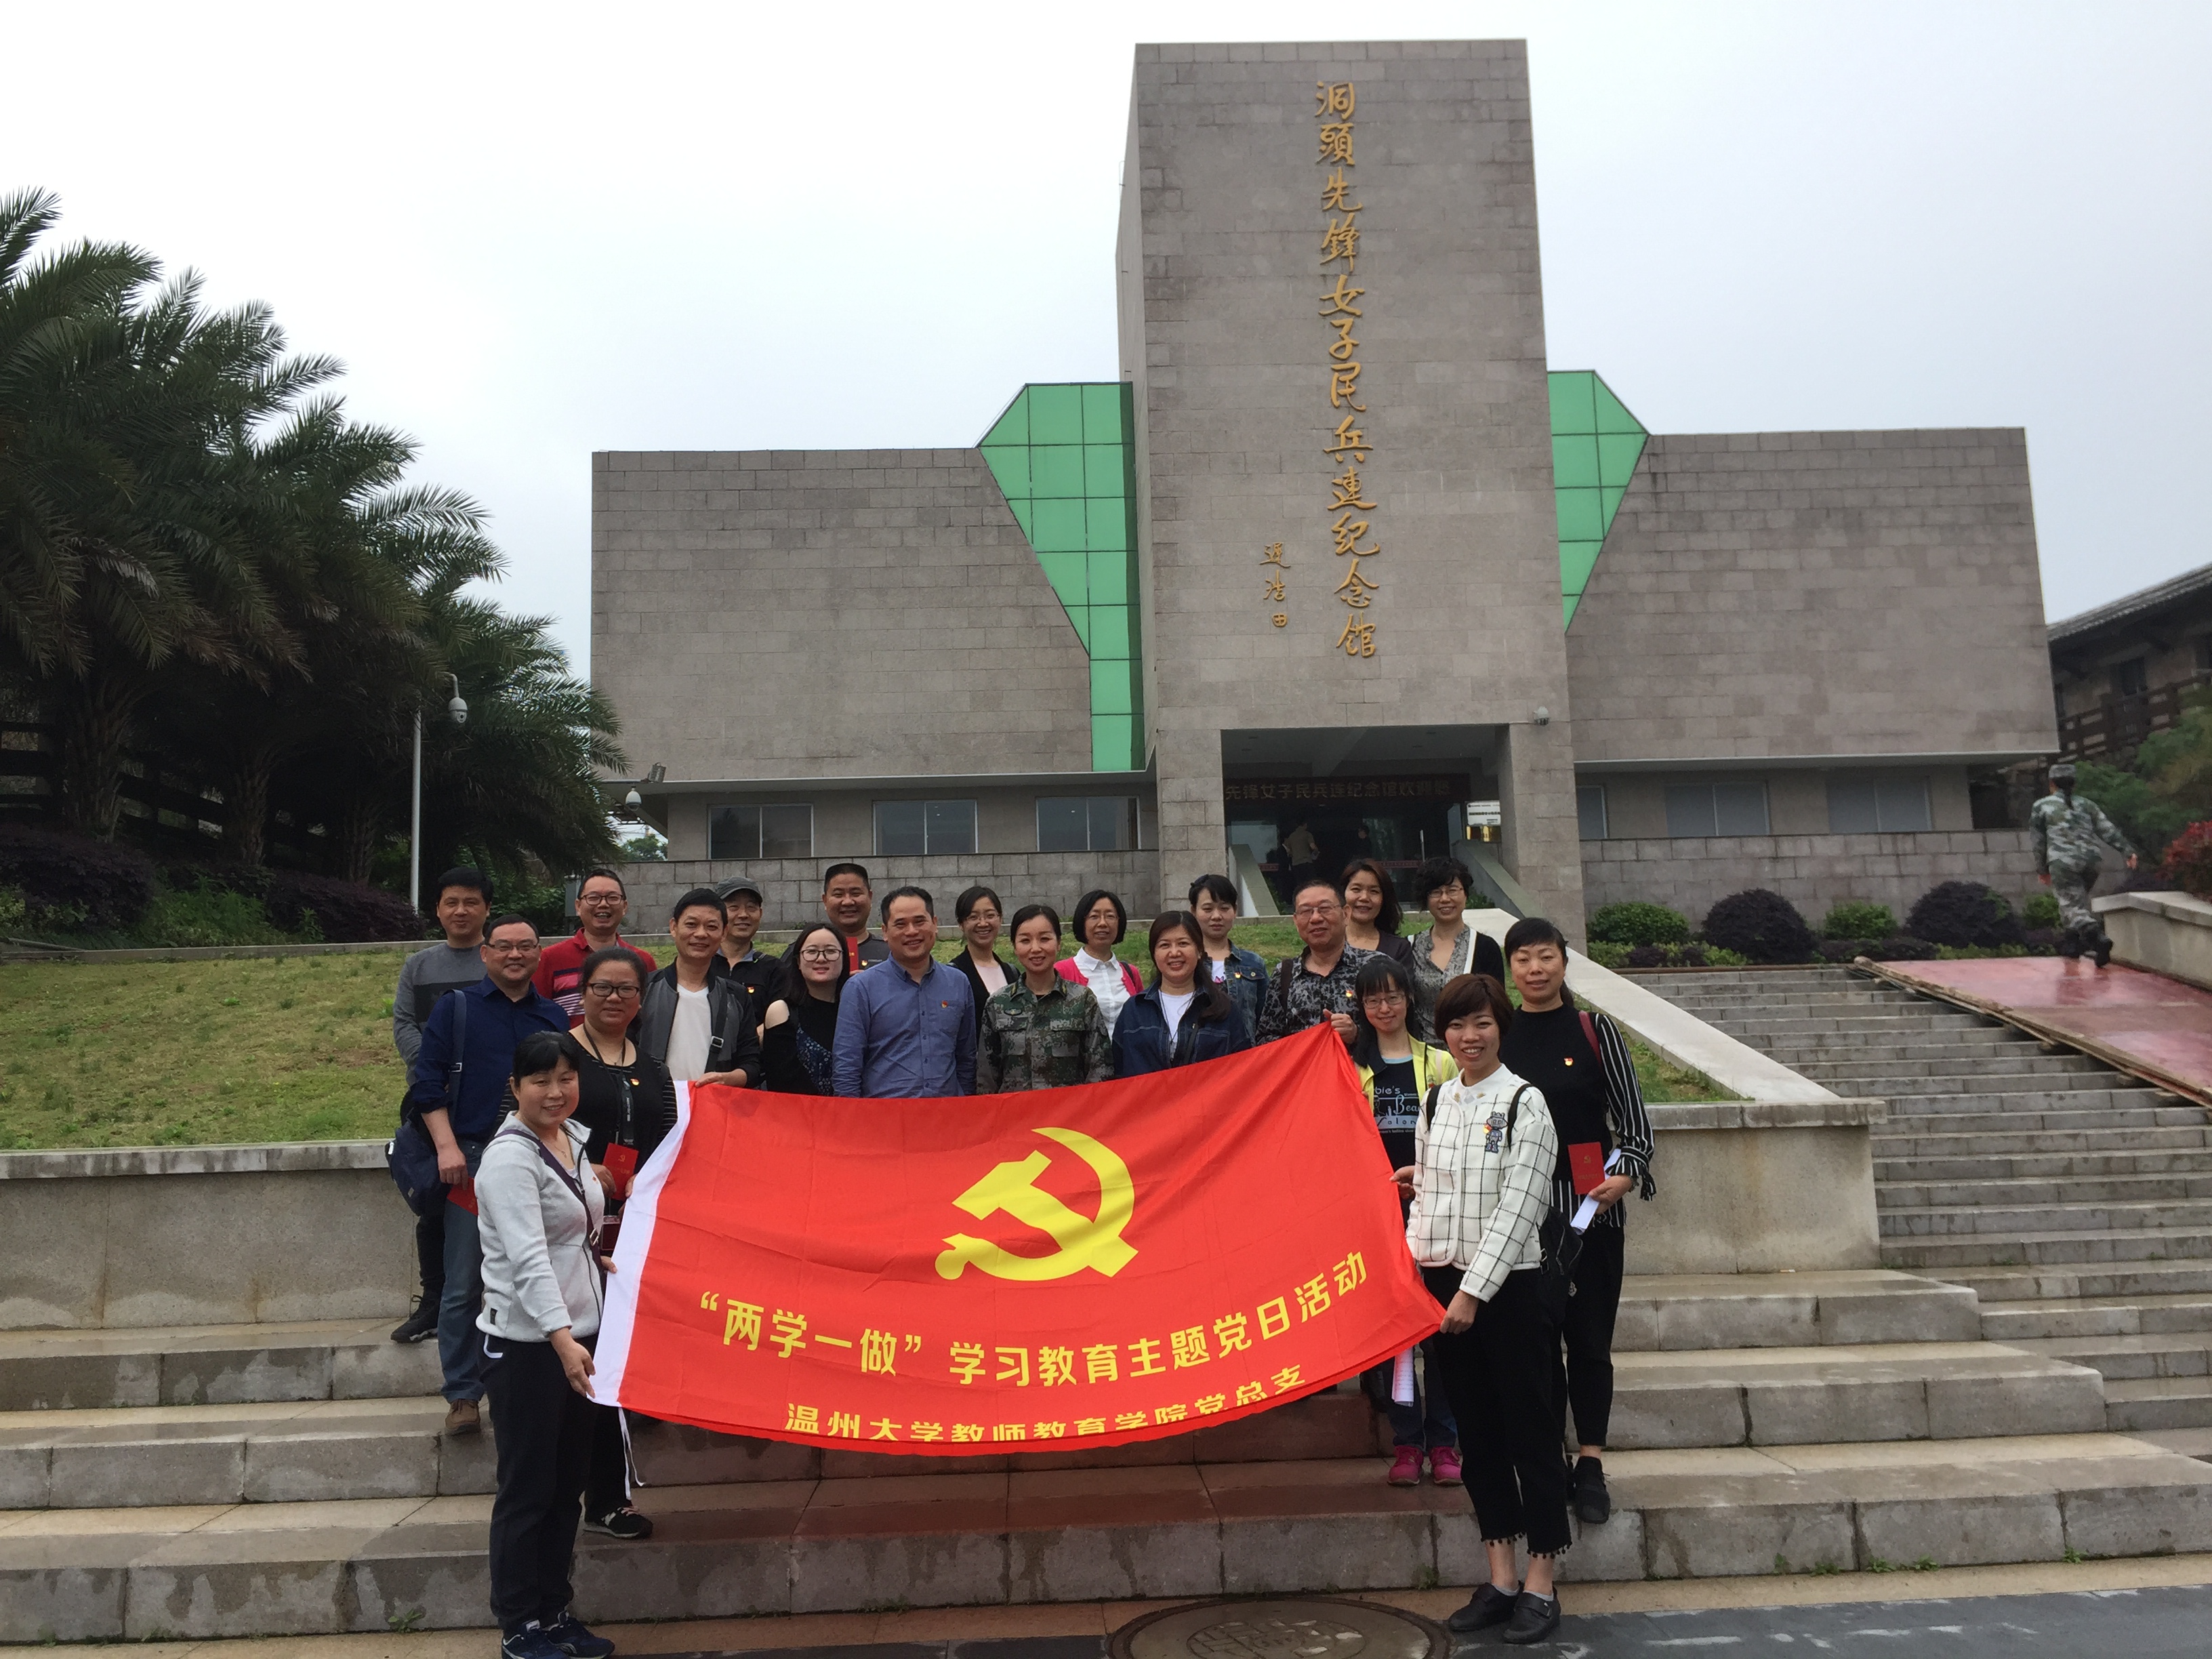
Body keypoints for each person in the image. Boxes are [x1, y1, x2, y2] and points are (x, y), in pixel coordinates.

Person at [1398, 972, 1569, 1647]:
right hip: (1444, 1291)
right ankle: (1500, 1578)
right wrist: (1413, 1275)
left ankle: (1541, 1582)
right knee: (1478, 1435)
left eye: (1482, 1024)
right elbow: (1429, 1199)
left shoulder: (1526, 1103)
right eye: (1456, 1025)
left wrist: (1473, 1293)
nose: (1469, 1037)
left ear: (1502, 1027)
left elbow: (1521, 1207)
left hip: (1510, 1291)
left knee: (1531, 1432)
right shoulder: (1436, 1100)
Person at [1498, 915, 1654, 1528]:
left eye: (1546, 957)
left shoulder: (1595, 1030)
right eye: (1523, 959)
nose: (1535, 969)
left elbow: (1634, 1128)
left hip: (1593, 1215)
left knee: (1589, 1343)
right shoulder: (1499, 1034)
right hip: (1521, 1220)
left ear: (1565, 962)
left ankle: (1591, 1461)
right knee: (1536, 1347)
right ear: (1510, 968)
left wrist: (1626, 1175)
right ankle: (1551, 1457)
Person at [473, 1030, 618, 1659]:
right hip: (529, 1347)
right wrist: (561, 1339)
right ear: (515, 1088)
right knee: (528, 1490)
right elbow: (528, 1258)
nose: (555, 1092)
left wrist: (595, 1262)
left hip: (579, 1337)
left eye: (566, 1078)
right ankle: (519, 1626)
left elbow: (569, 1234)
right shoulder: (510, 1159)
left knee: (565, 1488)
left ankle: (555, 1614)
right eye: (540, 1081)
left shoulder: (571, 1138)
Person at [407, 915, 569, 1436]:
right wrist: (447, 1147)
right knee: (463, 1282)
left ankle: (538, 1379)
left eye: (526, 946)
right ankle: (462, 1394)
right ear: (485, 952)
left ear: (539, 952)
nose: (515, 955)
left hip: (540, 1157)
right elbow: (427, 1083)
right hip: (472, 1161)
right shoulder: (457, 1008)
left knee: (540, 1269)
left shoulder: (552, 1016)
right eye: (504, 946)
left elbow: (566, 1088)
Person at [566, 947, 677, 1543]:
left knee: (618, 1354)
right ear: (582, 993)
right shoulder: (558, 1058)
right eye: (602, 988)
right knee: (590, 1356)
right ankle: (595, 1493)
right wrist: (582, 1171)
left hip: (635, 1230)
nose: (614, 998)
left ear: (642, 999)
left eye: (627, 989)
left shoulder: (653, 1068)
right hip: (572, 1229)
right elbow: (526, 1128)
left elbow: (671, 1143)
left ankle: (611, 1498)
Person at [1349, 954, 1460, 1488]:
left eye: (1393, 995)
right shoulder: (1350, 1069)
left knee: (1440, 1329)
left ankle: (1445, 1442)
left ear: (1409, 998)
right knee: (1395, 1334)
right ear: (1362, 1006)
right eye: (1373, 998)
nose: (1384, 1006)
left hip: (1435, 1214)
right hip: (1377, 1218)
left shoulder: (1440, 1064)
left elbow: (1459, 1138)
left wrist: (1429, 1179)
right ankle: (1407, 1444)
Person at [389, 866, 493, 1345]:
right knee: (433, 1200)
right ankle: (433, 1300)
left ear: (486, 909)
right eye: (452, 902)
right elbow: (404, 1025)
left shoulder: (498, 959)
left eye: (471, 902)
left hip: (488, 1102)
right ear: (437, 909)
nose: (461, 911)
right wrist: (436, 1066)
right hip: (430, 1100)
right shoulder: (419, 966)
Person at [832, 886, 976, 1097]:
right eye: (900, 924)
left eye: (920, 921)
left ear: (935, 924)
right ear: (885, 932)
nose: (912, 932)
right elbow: (847, 1067)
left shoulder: (958, 983)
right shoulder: (861, 988)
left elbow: (967, 1059)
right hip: (885, 1113)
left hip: (947, 1112)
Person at [977, 903, 1113, 1092]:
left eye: (1045, 939)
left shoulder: (1082, 1000)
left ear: (1059, 943)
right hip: (1015, 1110)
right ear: (1015, 947)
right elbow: (987, 1078)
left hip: (1067, 1110)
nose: (1035, 948)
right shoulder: (998, 1004)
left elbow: (1100, 1070)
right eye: (1025, 940)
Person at [637, 888, 761, 1088]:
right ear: (673, 927)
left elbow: (751, 1064)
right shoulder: (644, 990)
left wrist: (728, 1079)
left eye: (711, 926)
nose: (701, 934)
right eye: (691, 925)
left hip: (713, 1103)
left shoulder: (736, 996)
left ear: (724, 933)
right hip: (654, 1102)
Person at [1112, 910, 1253, 1076]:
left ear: (1199, 951)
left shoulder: (1224, 1010)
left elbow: (1242, 1072)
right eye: (1165, 945)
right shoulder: (1134, 1011)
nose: (1174, 953)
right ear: (1154, 954)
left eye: (1183, 944)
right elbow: (1118, 1072)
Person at [2033, 761, 2140, 965]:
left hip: (2063, 861)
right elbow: (2107, 829)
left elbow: (2038, 840)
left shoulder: (2042, 806)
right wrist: (2127, 851)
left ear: (2051, 783)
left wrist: (2042, 869)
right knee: (2076, 902)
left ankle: (2098, 938)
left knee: (2071, 905)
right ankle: (2072, 944)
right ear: (2073, 784)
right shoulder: (2087, 805)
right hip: (2092, 861)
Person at [1255, 876, 1373, 1047]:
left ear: (1346, 914)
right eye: (1306, 911)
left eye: (1325, 908)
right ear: (1296, 921)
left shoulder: (1374, 966)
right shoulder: (1285, 974)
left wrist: (1356, 1034)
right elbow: (1265, 1038)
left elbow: (1397, 1033)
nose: (1316, 918)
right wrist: (1301, 1046)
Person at [537, 869, 657, 1025]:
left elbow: (650, 1017)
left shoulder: (643, 961)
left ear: (625, 907)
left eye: (613, 898)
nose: (603, 904)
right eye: (593, 898)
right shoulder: (549, 958)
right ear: (578, 906)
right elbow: (537, 1015)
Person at [1407, 856, 1506, 1043]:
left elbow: (1497, 1008)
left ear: (1466, 894)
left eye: (1452, 890)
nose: (1445, 899)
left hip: (1472, 1048)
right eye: (1436, 892)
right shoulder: (1409, 947)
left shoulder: (1485, 948)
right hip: (1422, 1053)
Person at [760, 923, 853, 1094]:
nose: (821, 959)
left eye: (831, 951)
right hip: (796, 1109)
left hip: (853, 1108)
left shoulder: (857, 1009)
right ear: (798, 961)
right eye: (811, 952)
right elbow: (779, 1083)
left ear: (844, 958)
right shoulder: (781, 1011)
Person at [1189, 873, 1269, 1036]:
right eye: (1208, 909)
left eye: (1224, 908)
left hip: (1246, 1052)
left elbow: (1266, 1021)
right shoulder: (1185, 961)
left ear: (1235, 911)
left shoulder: (1253, 963)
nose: (1216, 916)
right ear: (1193, 911)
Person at [1059, 888, 1145, 1036]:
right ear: (1082, 922)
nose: (1103, 923)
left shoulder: (1131, 973)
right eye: (1094, 917)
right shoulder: (1061, 972)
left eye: (1110, 916)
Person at [945, 885, 1015, 1038]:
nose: (983, 923)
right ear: (961, 924)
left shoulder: (1012, 972)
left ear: (1000, 919)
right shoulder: (953, 975)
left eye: (990, 915)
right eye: (973, 917)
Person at [711, 880, 779, 1029]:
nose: (743, 915)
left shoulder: (774, 969)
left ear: (760, 914)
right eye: (734, 907)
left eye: (751, 907)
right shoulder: (701, 964)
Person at [1343, 858, 1416, 966]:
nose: (1364, 898)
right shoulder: (1326, 942)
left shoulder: (1398, 949)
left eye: (1374, 891)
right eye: (1356, 889)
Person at [821, 862, 890, 975]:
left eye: (856, 894)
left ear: (870, 897)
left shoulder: (893, 953)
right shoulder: (804, 953)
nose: (848, 902)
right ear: (825, 901)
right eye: (838, 895)